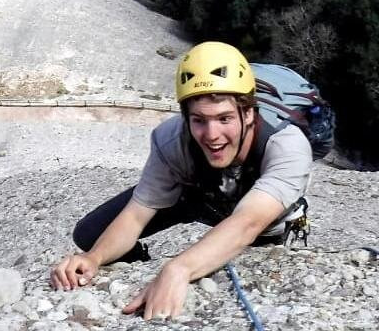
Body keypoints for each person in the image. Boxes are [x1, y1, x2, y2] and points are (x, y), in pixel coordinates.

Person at [50, 41, 313, 320]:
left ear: (248, 113)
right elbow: (137, 215)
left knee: (253, 273)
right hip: (201, 199)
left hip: (263, 223)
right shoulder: (172, 139)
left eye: (224, 118)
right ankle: (138, 263)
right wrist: (94, 258)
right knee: (90, 235)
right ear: (185, 117)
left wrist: (179, 269)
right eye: (199, 120)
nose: (211, 134)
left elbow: (248, 223)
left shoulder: (287, 147)